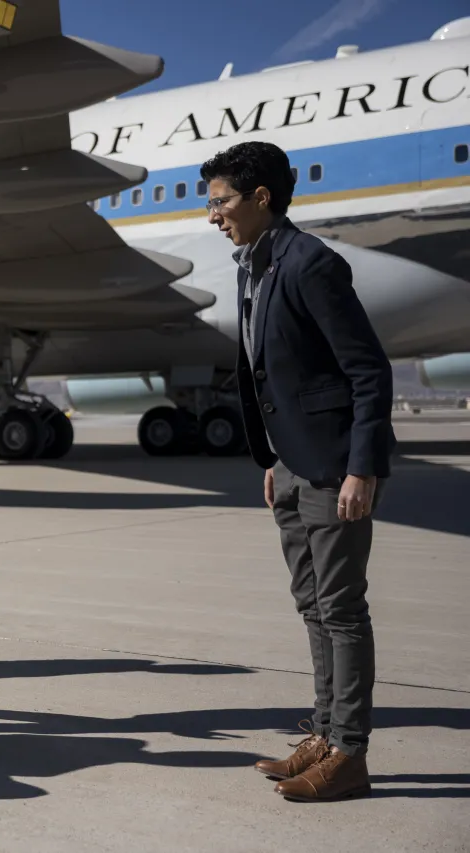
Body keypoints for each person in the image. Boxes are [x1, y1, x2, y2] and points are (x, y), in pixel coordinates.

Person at [202, 141, 395, 802]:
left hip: (333, 464)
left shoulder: (311, 264)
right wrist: (270, 457)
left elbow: (367, 370)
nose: (212, 215)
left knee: (341, 608)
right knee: (312, 603)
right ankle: (323, 733)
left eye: (221, 200)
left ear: (261, 199)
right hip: (288, 465)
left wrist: (361, 466)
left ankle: (350, 751)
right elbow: (267, 370)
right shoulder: (252, 265)